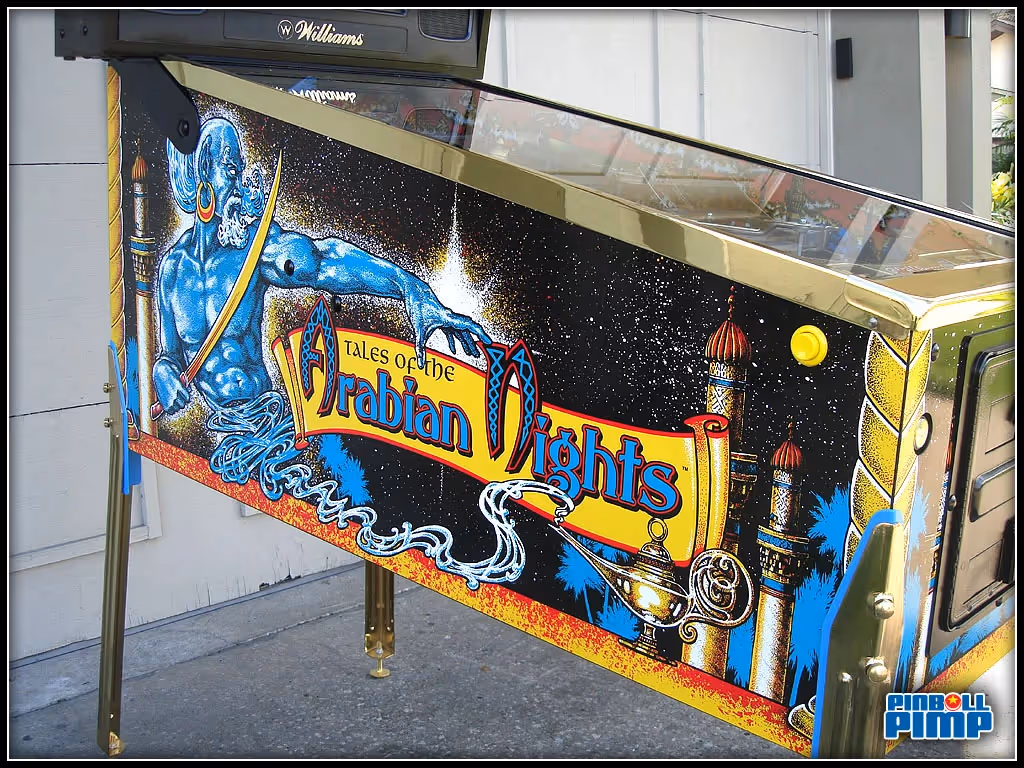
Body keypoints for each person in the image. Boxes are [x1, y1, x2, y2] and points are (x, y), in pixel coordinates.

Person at [153, 117, 490, 417]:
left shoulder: (257, 247)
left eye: (240, 170)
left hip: (263, 422)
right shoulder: (172, 270)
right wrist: (162, 373)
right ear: (204, 178)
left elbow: (325, 260)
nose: (241, 184)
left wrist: (410, 288)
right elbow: (170, 355)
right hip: (220, 435)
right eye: (230, 170)